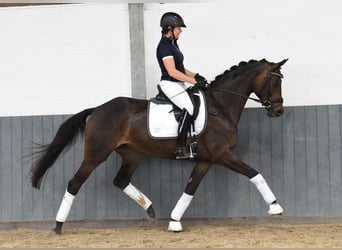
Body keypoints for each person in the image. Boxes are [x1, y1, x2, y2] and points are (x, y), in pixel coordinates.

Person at [156, 12, 208, 160]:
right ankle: (180, 147)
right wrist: (194, 82)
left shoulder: (173, 45)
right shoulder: (164, 46)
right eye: (178, 28)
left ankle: (193, 140)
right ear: (169, 28)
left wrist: (196, 76)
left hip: (178, 83)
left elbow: (180, 69)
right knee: (189, 108)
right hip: (169, 84)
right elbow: (172, 72)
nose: (181, 31)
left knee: (198, 100)